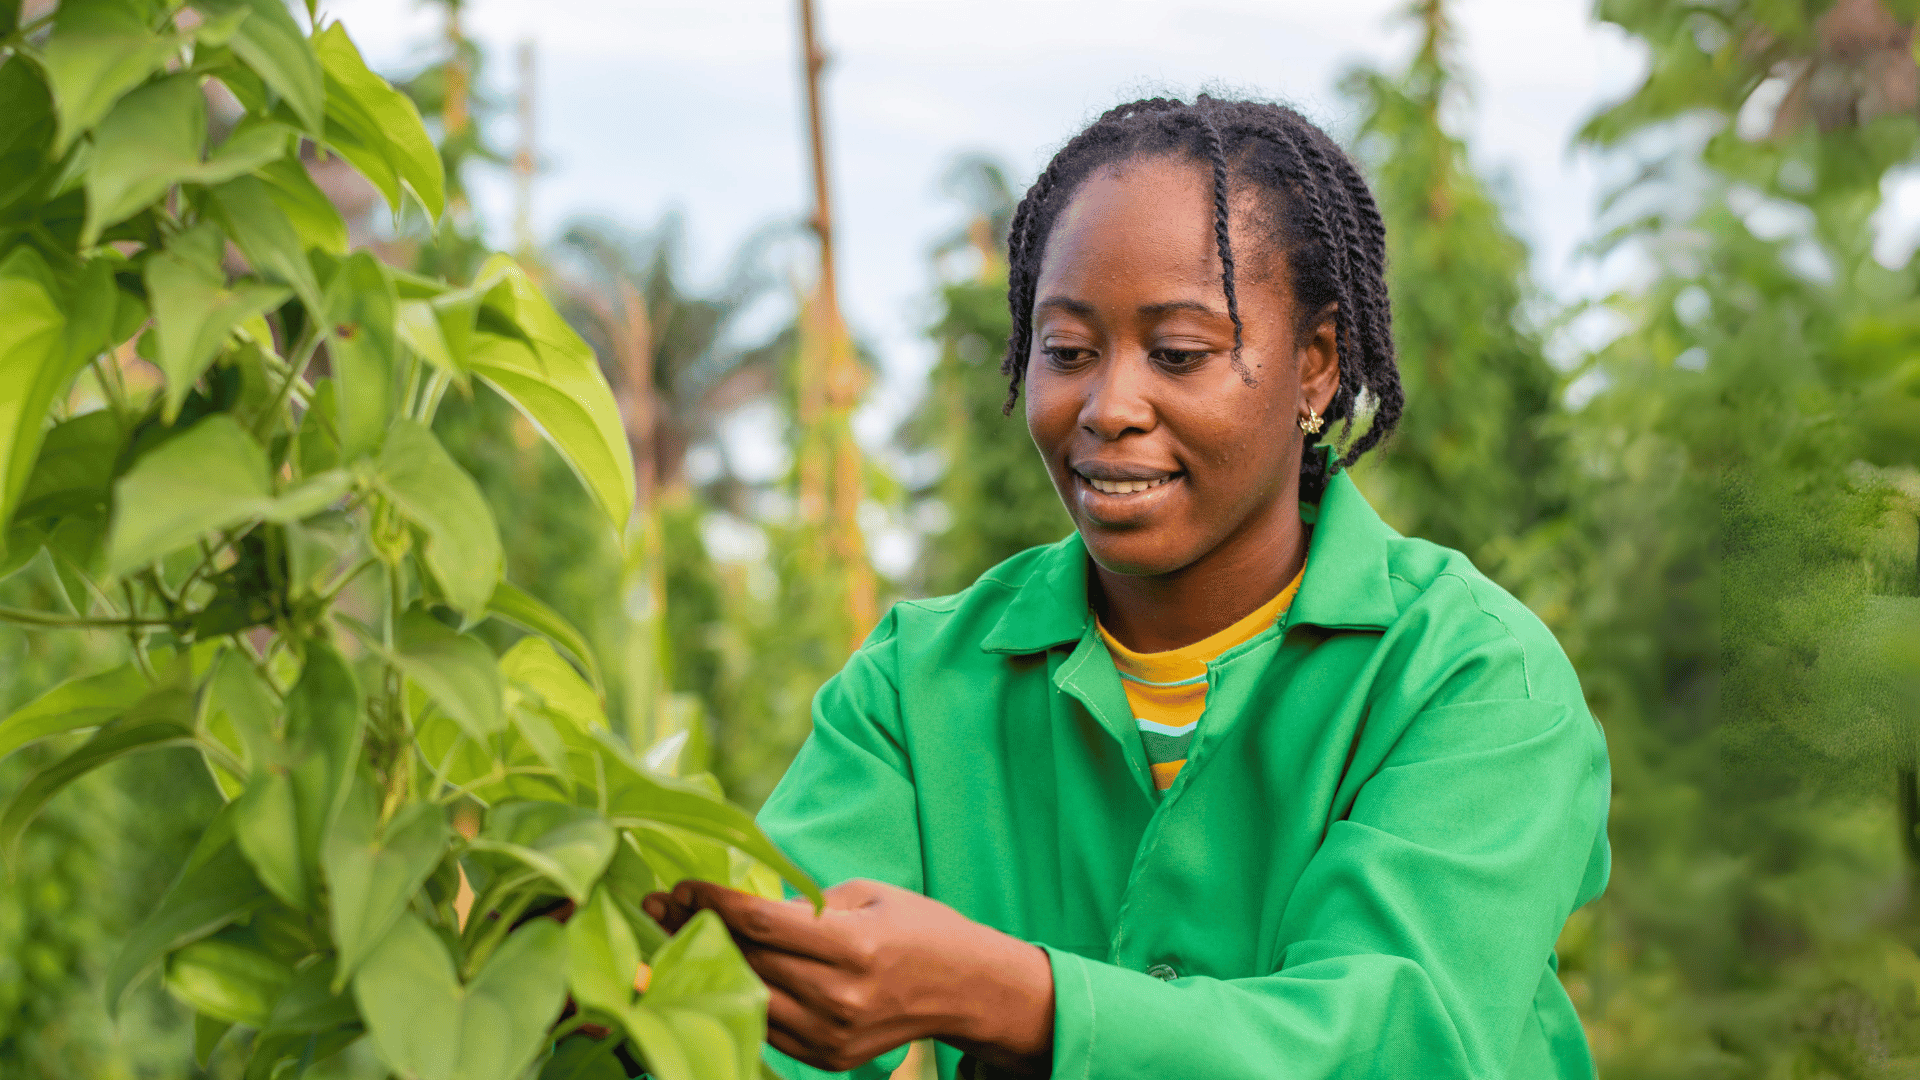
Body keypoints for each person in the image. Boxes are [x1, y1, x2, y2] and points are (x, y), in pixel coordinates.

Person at [644, 95, 1611, 1080]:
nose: (1109, 408)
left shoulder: (1472, 674)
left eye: (1178, 354)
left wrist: (1011, 998)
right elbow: (745, 1016)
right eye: (1067, 352)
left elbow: (1399, 1043)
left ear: (1315, 366)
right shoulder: (916, 684)